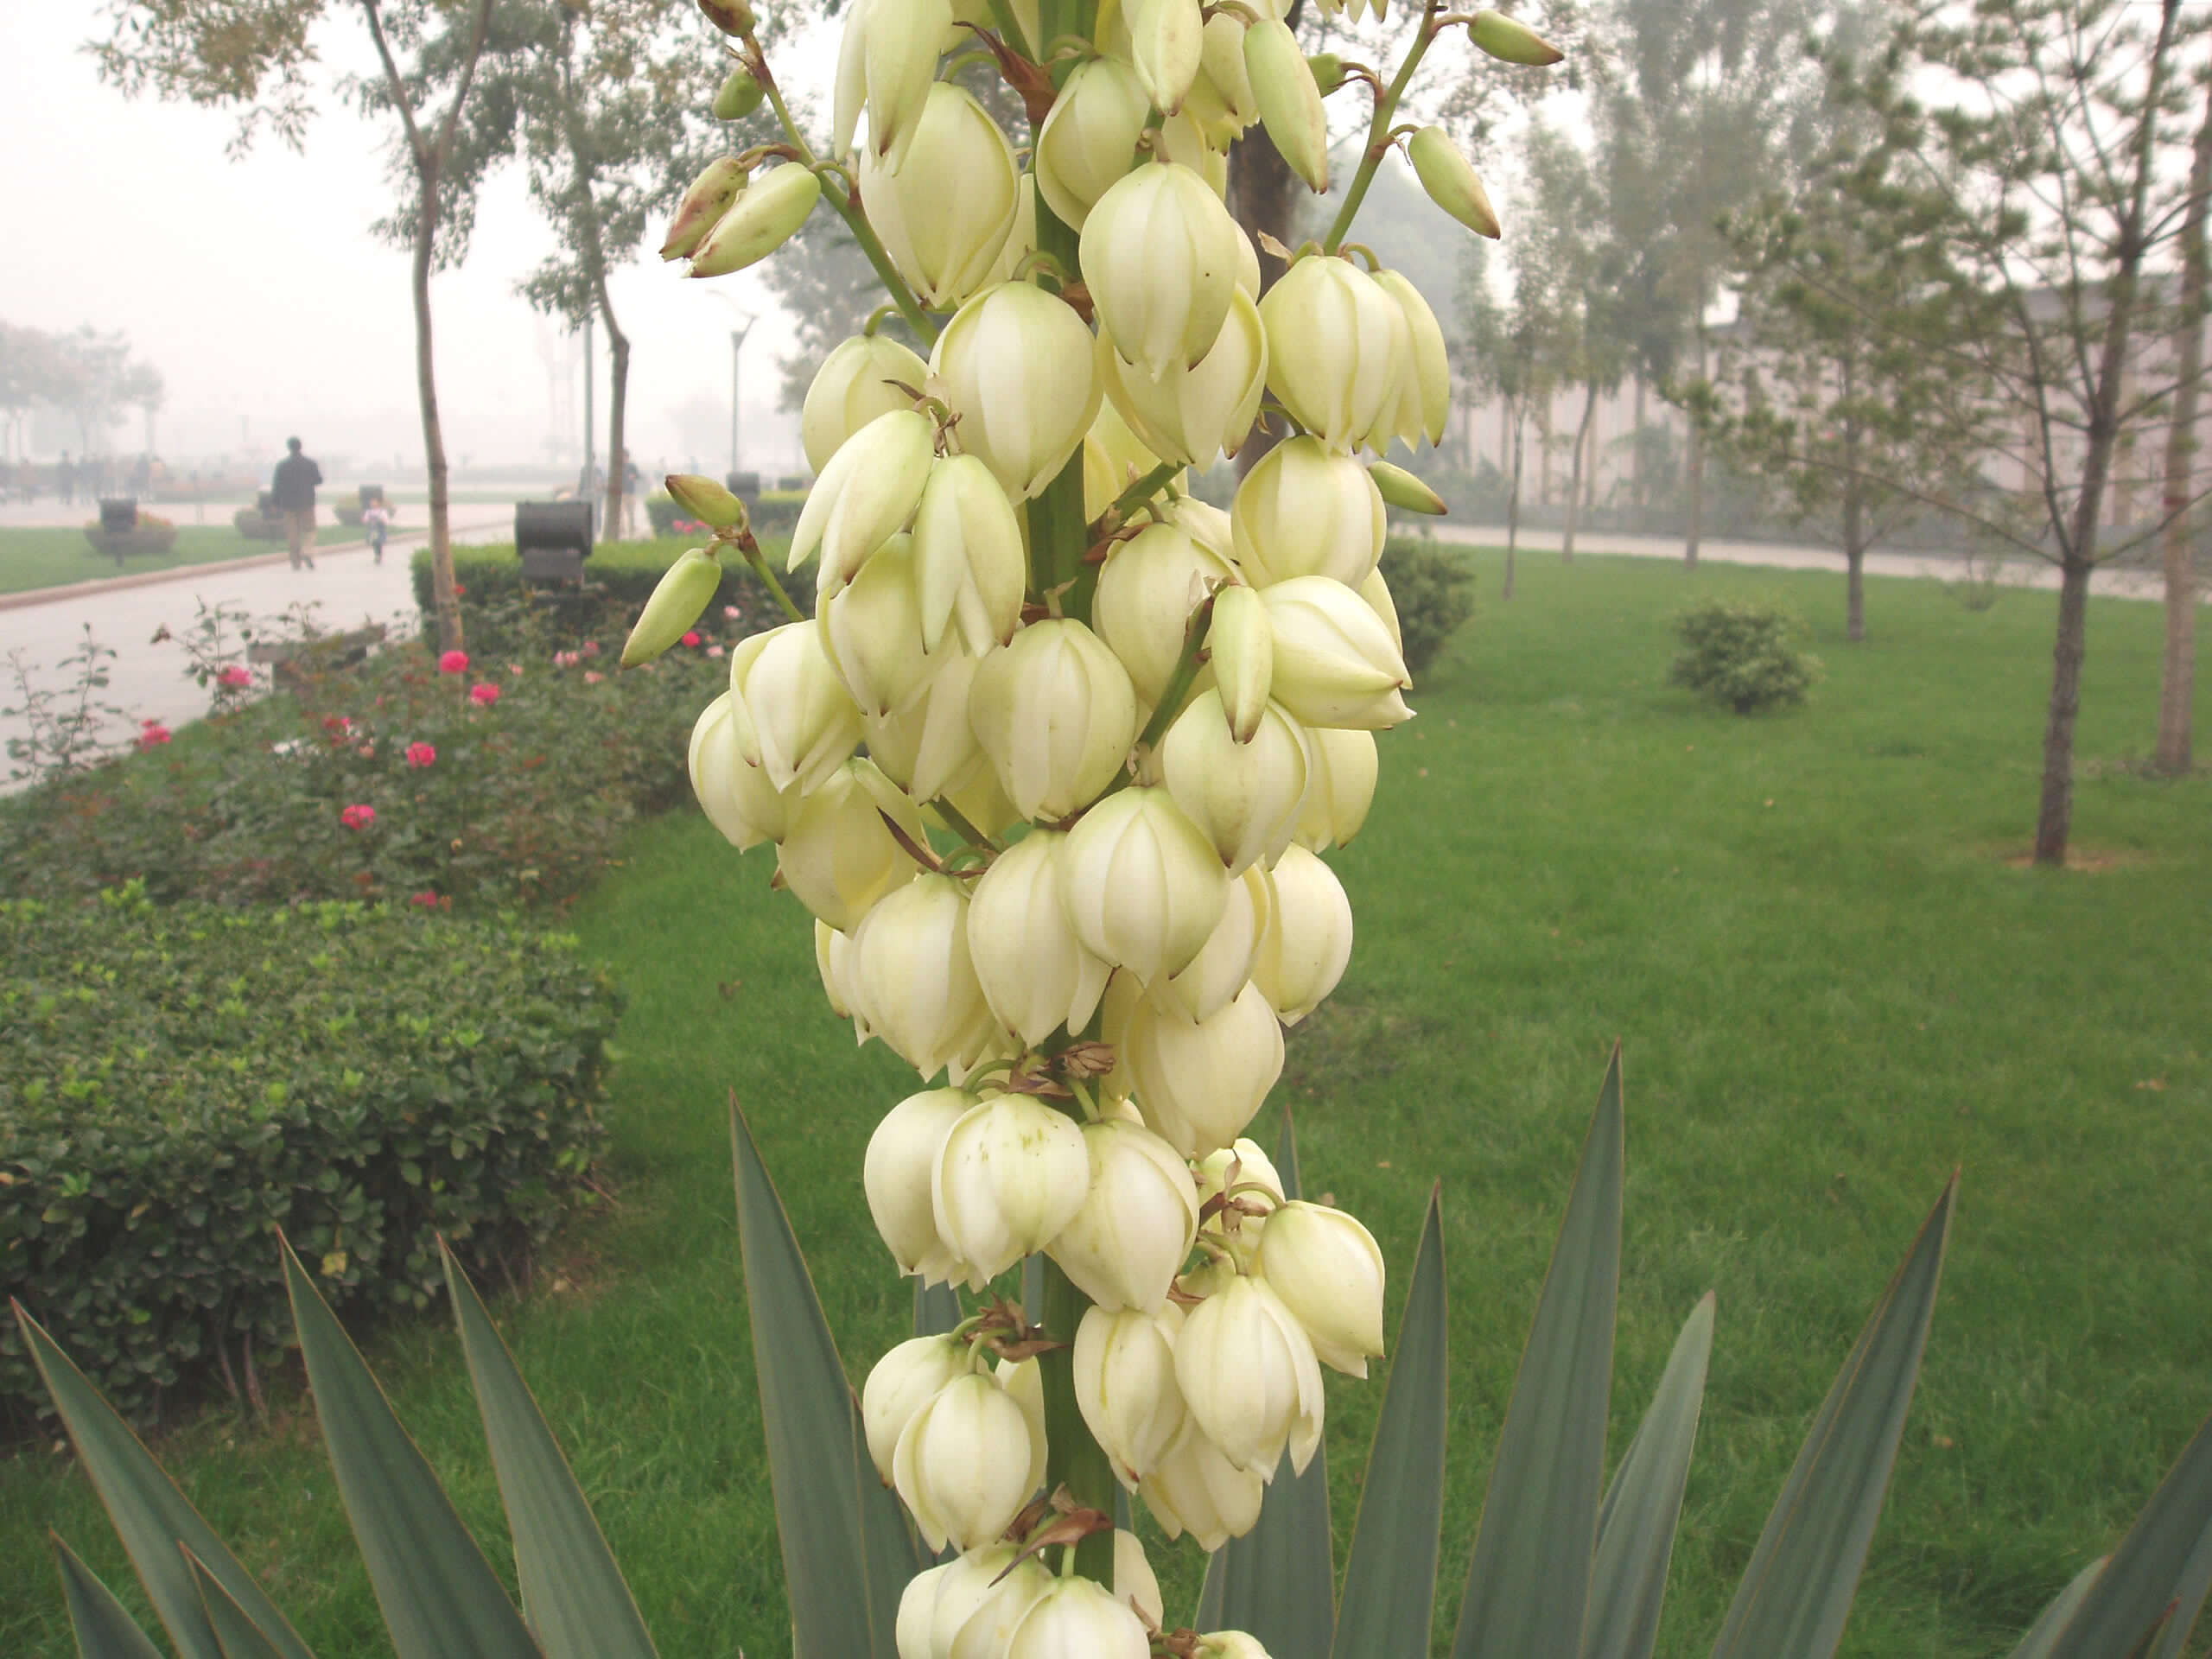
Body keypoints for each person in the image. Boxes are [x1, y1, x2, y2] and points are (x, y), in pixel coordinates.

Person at [271, 436, 323, 571]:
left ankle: (296, 563)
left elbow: (277, 486)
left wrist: (275, 503)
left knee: (292, 533)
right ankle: (307, 552)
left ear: (289, 448)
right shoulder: (310, 463)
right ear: (301, 446)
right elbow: (318, 480)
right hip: (307, 502)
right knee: (310, 530)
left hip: (288, 504)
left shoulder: (282, 465)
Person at [362, 498, 391, 564]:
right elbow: (365, 520)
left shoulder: (382, 511)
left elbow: (387, 521)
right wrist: (365, 520)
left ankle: (379, 555)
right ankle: (377, 555)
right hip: (372, 530)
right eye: (371, 502)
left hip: (380, 530)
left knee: (379, 542)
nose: (373, 504)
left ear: (378, 503)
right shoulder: (368, 512)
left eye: (374, 502)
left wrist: (382, 520)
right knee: (374, 543)